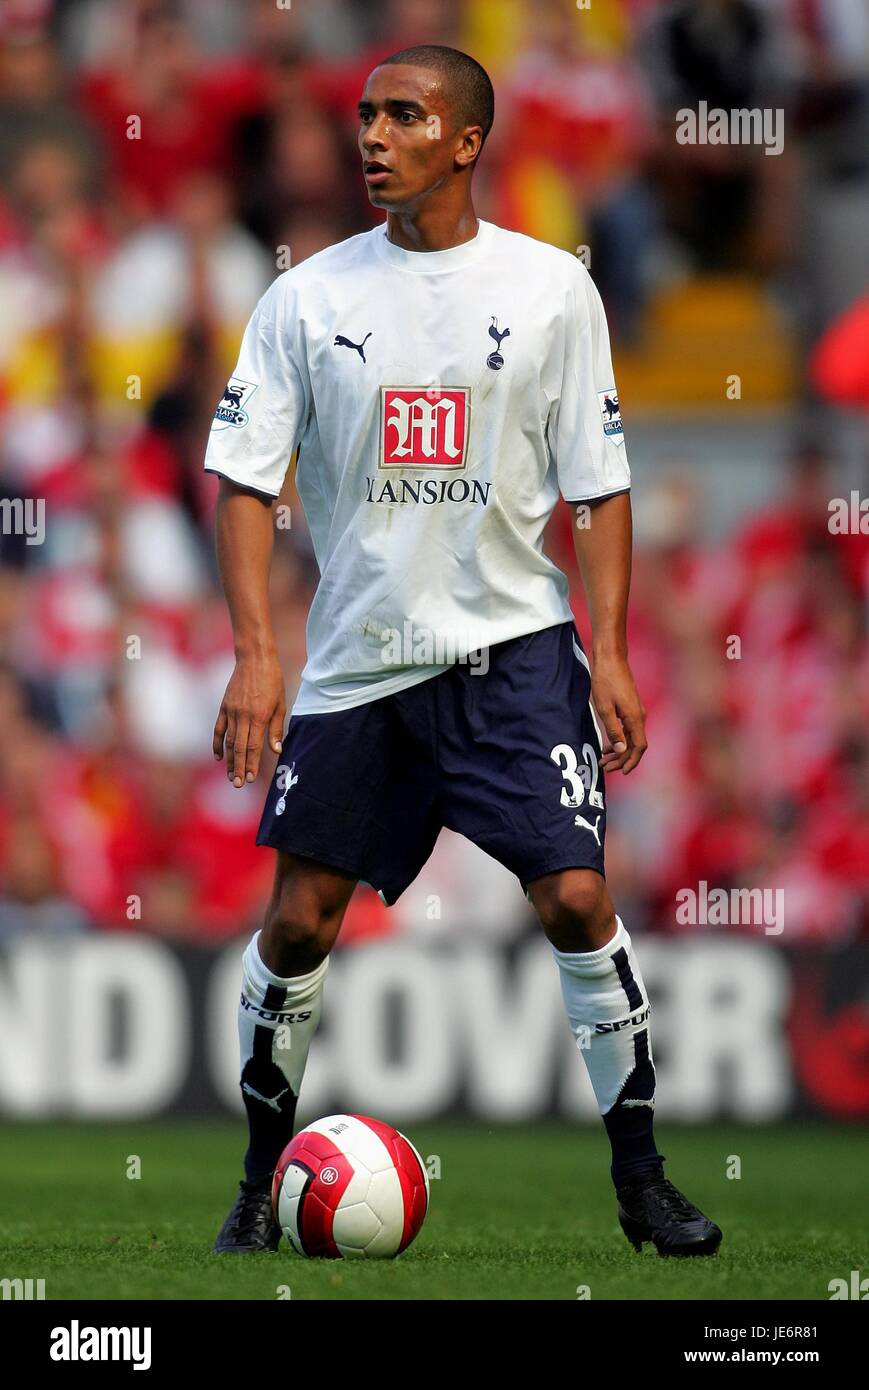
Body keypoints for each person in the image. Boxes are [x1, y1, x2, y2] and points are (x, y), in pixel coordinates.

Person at [205, 44, 721, 1259]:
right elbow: (238, 477)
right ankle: (254, 1175)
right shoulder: (306, 298)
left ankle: (642, 1183)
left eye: (403, 114)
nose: (373, 133)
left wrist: (610, 651)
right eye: (366, 113)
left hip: (513, 650)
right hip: (357, 663)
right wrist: (255, 651)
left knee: (578, 894)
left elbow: (597, 488)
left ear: (466, 140)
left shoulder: (552, 291)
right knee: (299, 924)